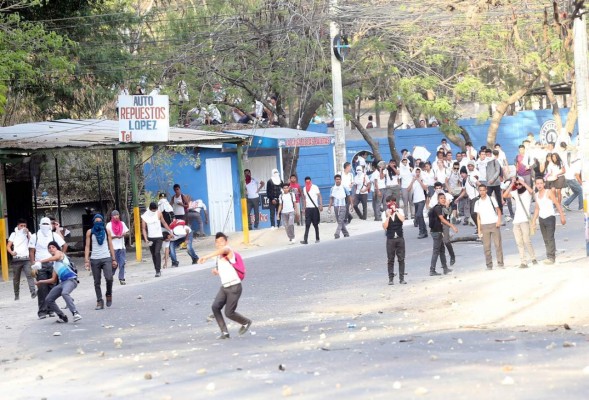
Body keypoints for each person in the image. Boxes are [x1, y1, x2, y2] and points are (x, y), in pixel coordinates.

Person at [198, 232, 252, 340]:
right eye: (217, 242)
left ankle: (246, 322)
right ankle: (225, 333)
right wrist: (217, 271)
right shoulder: (219, 257)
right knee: (215, 307)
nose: (219, 244)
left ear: (226, 242)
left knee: (229, 313)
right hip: (225, 287)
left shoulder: (229, 251)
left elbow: (224, 250)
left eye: (221, 241)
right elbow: (226, 269)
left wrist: (206, 256)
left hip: (234, 287)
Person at [33, 241, 82, 323]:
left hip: (71, 280)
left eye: (53, 247)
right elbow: (53, 279)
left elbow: (55, 257)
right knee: (49, 299)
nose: (51, 249)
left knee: (64, 293)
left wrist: (40, 261)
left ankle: (75, 313)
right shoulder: (55, 264)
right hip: (62, 283)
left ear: (57, 248)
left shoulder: (60, 254)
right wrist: (41, 281)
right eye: (49, 248)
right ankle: (62, 316)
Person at [29, 217, 67, 319]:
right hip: (39, 265)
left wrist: (60, 255)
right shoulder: (35, 236)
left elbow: (64, 245)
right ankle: (42, 311)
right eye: (44, 224)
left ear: (50, 225)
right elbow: (31, 252)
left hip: (53, 264)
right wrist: (33, 265)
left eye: (47, 224)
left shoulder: (54, 235)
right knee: (42, 289)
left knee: (52, 288)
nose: (46, 226)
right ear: (40, 225)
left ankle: (51, 310)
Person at [502, 177, 537, 268]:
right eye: (516, 184)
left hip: (525, 220)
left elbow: (531, 191)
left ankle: (533, 257)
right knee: (519, 242)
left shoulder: (527, 193)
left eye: (519, 184)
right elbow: (505, 195)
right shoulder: (515, 193)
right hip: (516, 221)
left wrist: (523, 183)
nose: (518, 186)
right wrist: (511, 184)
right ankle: (523, 261)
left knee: (526, 240)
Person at [84, 214, 117, 310]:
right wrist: (86, 260)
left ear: (102, 221)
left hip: (106, 257)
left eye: (100, 221)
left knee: (109, 278)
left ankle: (108, 293)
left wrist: (113, 258)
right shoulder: (90, 232)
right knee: (97, 281)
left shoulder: (107, 231)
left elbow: (110, 244)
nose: (98, 223)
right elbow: (87, 246)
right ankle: (99, 301)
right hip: (95, 259)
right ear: (93, 222)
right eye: (96, 221)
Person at [531, 177, 566, 264]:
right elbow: (536, 209)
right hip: (541, 218)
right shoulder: (536, 195)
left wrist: (562, 216)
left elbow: (557, 203)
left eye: (540, 183)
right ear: (535, 185)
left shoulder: (548, 192)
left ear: (544, 184)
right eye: (537, 183)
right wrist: (533, 221)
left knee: (550, 237)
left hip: (550, 217)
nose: (539, 185)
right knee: (545, 238)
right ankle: (549, 256)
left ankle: (551, 257)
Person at [474, 184, 504, 270]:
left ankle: (500, 263)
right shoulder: (477, 202)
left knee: (498, 245)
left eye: (483, 190)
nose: (482, 192)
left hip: (494, 223)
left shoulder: (491, 199)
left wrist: (499, 220)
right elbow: (478, 217)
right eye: (480, 190)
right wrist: (479, 230)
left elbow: (498, 210)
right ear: (479, 191)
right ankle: (489, 265)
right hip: (484, 225)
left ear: (486, 190)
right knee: (486, 247)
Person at [429, 192, 458, 276]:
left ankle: (445, 268)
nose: (443, 199)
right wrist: (452, 226)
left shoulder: (442, 207)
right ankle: (432, 270)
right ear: (438, 199)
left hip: (439, 231)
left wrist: (447, 205)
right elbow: (442, 219)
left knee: (441, 250)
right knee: (436, 251)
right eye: (441, 198)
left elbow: (448, 213)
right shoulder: (438, 208)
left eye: (444, 198)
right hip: (436, 231)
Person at [8, 219, 36, 301]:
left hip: (26, 258)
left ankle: (33, 293)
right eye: (21, 226)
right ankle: (16, 295)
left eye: (24, 226)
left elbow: (32, 242)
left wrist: (27, 233)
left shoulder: (28, 233)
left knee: (29, 276)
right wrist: (11, 252)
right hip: (17, 259)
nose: (23, 227)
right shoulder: (14, 234)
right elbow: (8, 246)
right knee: (16, 278)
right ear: (18, 226)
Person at [141, 202, 171, 277]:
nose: (154, 211)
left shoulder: (159, 213)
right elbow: (143, 229)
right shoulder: (145, 216)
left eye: (155, 210)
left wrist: (170, 231)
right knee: (153, 254)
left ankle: (158, 270)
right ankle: (156, 269)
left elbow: (163, 222)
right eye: (153, 210)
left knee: (157, 252)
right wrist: (146, 239)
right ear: (150, 209)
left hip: (158, 237)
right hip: (150, 238)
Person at [382, 196, 406, 285]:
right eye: (389, 202)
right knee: (390, 259)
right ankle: (391, 279)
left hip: (399, 237)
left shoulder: (400, 211)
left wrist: (395, 211)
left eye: (392, 202)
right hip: (390, 239)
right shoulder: (384, 213)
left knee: (401, 259)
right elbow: (385, 227)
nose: (391, 204)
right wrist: (388, 216)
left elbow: (402, 219)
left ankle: (402, 278)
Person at [106, 210, 129, 285]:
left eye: (117, 215)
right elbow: (107, 237)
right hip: (113, 248)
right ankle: (110, 276)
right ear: (112, 216)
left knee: (122, 263)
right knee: (114, 264)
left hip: (122, 247)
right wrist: (116, 236)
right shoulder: (109, 225)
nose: (116, 216)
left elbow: (127, 232)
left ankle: (121, 278)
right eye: (114, 215)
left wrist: (124, 234)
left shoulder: (122, 223)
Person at [300, 176, 323, 244]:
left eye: (309, 181)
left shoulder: (315, 187)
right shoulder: (304, 189)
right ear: (305, 182)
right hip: (308, 209)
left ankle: (317, 238)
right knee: (307, 224)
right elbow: (304, 199)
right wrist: (304, 209)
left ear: (311, 181)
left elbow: (319, 196)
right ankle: (305, 240)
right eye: (306, 181)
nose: (308, 182)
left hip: (314, 208)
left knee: (315, 224)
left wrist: (320, 205)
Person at [328, 174, 351, 239]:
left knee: (340, 220)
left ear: (341, 180)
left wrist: (351, 204)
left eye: (339, 179)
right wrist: (329, 206)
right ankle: (346, 233)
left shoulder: (344, 187)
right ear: (335, 180)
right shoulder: (332, 188)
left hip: (343, 205)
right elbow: (331, 198)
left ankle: (337, 233)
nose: (338, 180)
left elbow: (349, 195)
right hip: (336, 206)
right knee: (339, 221)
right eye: (336, 179)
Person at [409, 167, 428, 239]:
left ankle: (421, 231)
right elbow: (408, 189)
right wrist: (412, 181)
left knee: (418, 214)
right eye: (416, 172)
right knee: (420, 216)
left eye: (418, 172)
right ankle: (424, 232)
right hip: (415, 200)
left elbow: (425, 188)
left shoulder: (422, 179)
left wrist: (420, 181)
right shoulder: (412, 180)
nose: (417, 173)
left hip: (422, 199)